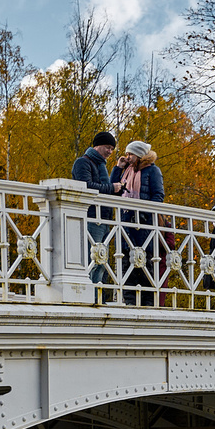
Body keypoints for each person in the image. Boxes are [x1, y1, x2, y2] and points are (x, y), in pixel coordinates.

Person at [113, 141, 164, 306]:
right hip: (126, 222)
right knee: (127, 262)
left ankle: (148, 304)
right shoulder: (127, 171)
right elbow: (112, 188)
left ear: (140, 154)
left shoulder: (152, 170)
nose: (128, 157)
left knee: (144, 262)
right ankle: (130, 302)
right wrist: (118, 168)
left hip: (144, 224)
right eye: (127, 154)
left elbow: (158, 195)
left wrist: (144, 213)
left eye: (130, 154)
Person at [71, 130, 117, 302]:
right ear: (97, 145)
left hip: (104, 218)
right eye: (107, 147)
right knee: (92, 259)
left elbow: (106, 188)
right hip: (90, 217)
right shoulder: (83, 162)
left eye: (112, 149)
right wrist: (112, 188)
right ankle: (89, 297)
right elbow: (87, 187)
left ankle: (98, 297)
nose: (110, 152)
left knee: (102, 260)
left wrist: (118, 170)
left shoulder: (102, 165)